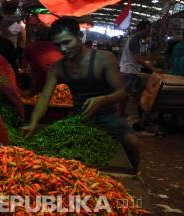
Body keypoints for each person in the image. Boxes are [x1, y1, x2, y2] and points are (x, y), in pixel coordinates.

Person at [20, 17, 141, 173]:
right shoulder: (57, 68)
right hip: (79, 118)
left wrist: (103, 100)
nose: (62, 49)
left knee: (134, 144)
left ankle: (134, 178)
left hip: (108, 117)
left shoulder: (104, 59)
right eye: (57, 45)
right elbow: (44, 98)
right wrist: (33, 122)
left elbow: (122, 92)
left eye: (67, 42)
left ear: (79, 36)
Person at [118, 21, 163, 118]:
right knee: (125, 94)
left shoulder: (137, 40)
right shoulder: (134, 41)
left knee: (127, 93)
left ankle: (122, 112)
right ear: (139, 29)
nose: (147, 34)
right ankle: (121, 113)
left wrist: (149, 61)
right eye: (146, 31)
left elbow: (140, 57)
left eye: (149, 32)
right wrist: (153, 68)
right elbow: (138, 59)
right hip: (128, 71)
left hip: (131, 70)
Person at [22, 25, 63, 92]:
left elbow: (24, 66)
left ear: (37, 36)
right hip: (61, 88)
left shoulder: (31, 47)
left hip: (39, 88)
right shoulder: (61, 47)